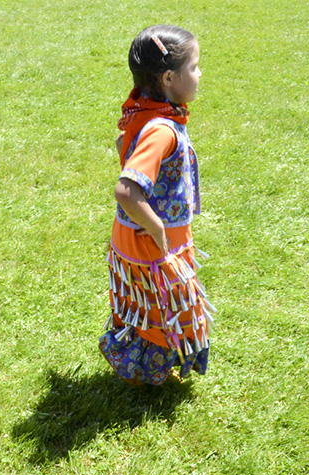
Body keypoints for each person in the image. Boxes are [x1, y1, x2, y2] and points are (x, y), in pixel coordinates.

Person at [98, 25, 216, 386]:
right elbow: (126, 190)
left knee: (151, 306)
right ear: (168, 77)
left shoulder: (148, 113)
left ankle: (142, 365)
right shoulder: (161, 129)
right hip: (152, 241)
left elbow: (123, 145)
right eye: (194, 67)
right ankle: (141, 373)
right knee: (163, 310)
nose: (199, 74)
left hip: (140, 235)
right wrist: (158, 227)